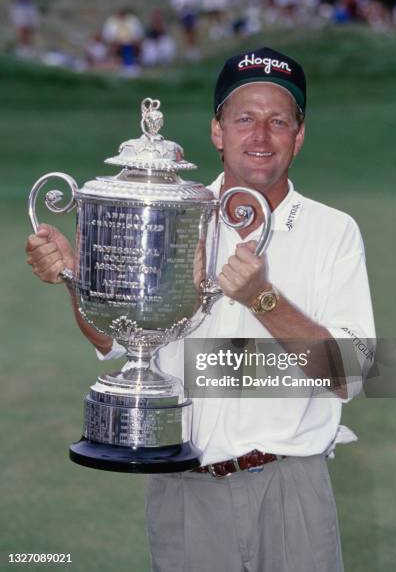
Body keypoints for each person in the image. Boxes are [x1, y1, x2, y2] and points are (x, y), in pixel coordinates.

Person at [26, 46, 375, 572]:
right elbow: (116, 341)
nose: (260, 136)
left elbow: (349, 375)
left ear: (298, 137)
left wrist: (263, 298)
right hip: (185, 489)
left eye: (278, 121)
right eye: (244, 119)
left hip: (291, 487)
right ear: (218, 131)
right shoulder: (170, 213)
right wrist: (80, 280)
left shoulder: (334, 231)